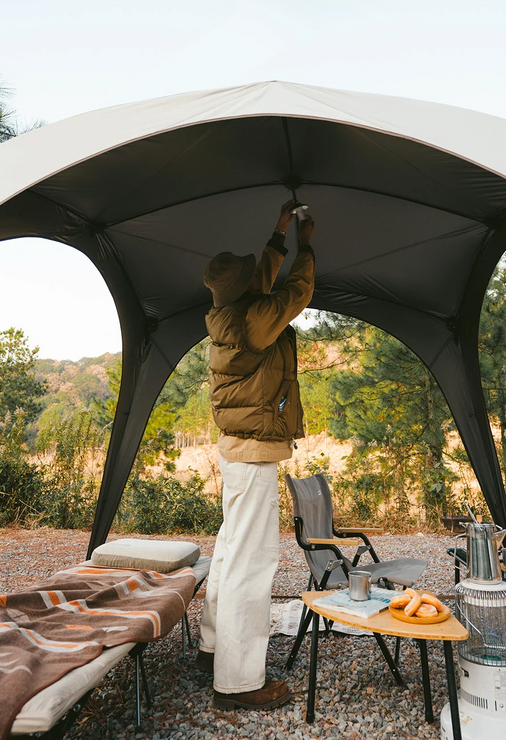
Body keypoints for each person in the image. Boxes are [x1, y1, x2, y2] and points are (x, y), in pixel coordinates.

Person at [197, 199, 315, 710]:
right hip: (253, 453)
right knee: (253, 562)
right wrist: (307, 246)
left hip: (236, 451)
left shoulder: (227, 314)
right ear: (243, 289)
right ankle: (239, 682)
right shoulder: (253, 321)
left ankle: (213, 647)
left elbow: (261, 282)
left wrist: (280, 231)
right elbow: (295, 292)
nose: (256, 279)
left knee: (229, 551)